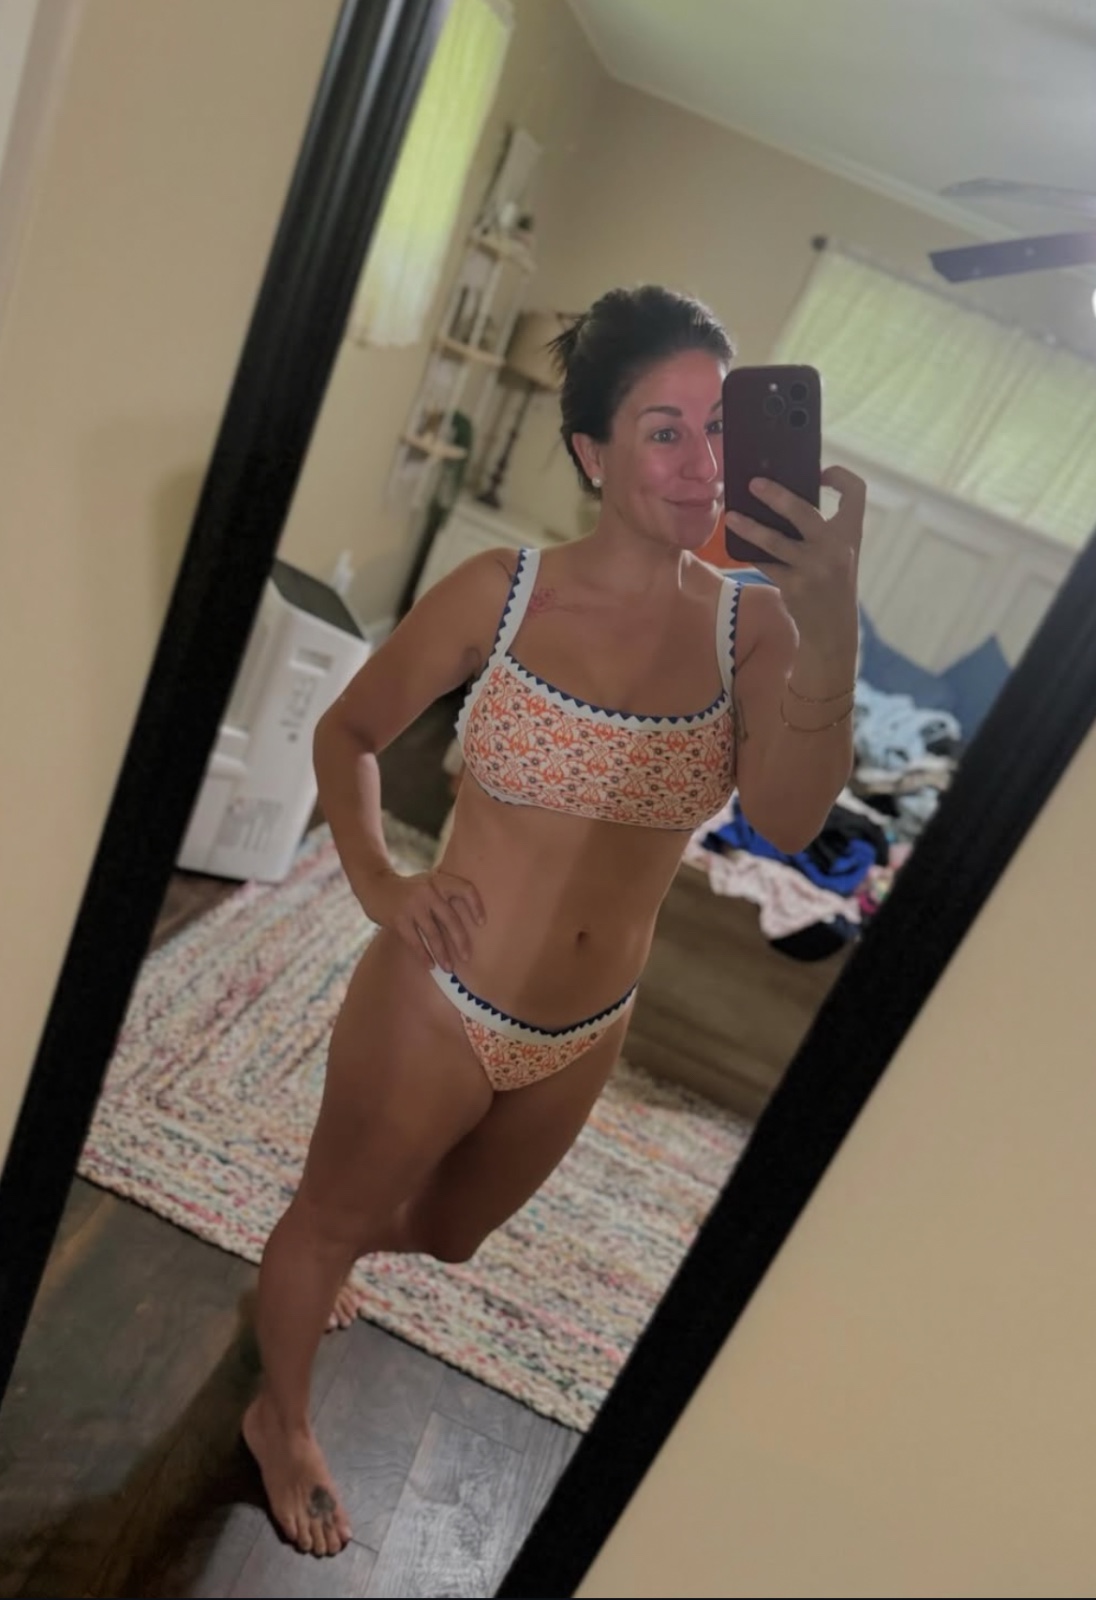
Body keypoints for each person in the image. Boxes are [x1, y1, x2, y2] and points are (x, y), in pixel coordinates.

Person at [244, 285, 864, 1556]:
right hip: (438, 996)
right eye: (662, 430)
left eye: (716, 429)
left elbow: (789, 819)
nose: (700, 462)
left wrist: (833, 621)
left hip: (587, 1029)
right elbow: (348, 731)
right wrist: (380, 883)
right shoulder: (502, 590)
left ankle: (333, 1251)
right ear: (590, 451)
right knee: (330, 1213)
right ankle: (280, 1415)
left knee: (454, 1235)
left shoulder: (754, 624)